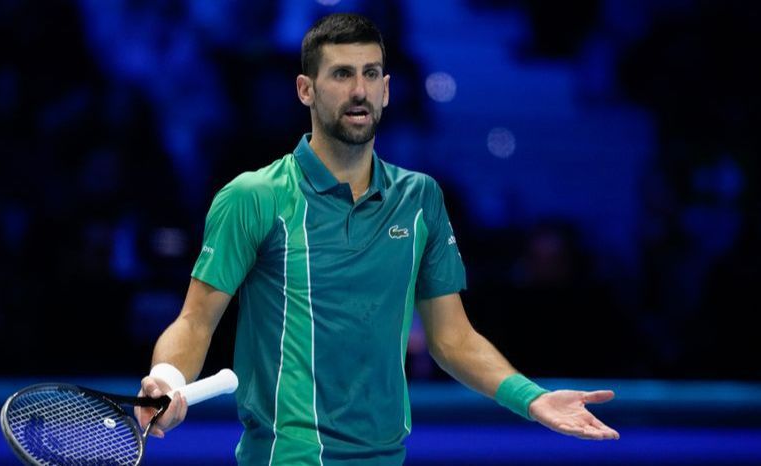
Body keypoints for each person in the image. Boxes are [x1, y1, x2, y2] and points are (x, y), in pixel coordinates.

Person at [135, 13, 620, 465]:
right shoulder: (253, 197)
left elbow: (452, 339)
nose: (359, 90)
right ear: (305, 90)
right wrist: (167, 379)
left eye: (371, 74)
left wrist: (532, 399)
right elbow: (195, 322)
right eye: (341, 74)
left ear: (387, 90)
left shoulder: (421, 198)